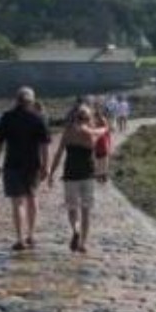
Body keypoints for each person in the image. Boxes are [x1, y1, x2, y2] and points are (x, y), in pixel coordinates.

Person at [0, 86, 51, 251]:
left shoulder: (7, 117)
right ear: (32, 101)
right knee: (32, 199)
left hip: (12, 164)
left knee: (17, 202)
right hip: (32, 165)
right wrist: (46, 166)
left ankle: (20, 239)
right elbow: (45, 145)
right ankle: (30, 235)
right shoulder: (38, 118)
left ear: (17, 100)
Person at [48, 103, 109, 254]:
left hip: (70, 174)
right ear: (88, 118)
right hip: (87, 174)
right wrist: (104, 124)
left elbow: (58, 154)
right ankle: (83, 244)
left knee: (72, 208)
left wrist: (51, 173)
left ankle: (75, 229)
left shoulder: (68, 132)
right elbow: (104, 129)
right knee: (86, 210)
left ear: (75, 117)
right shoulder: (91, 133)